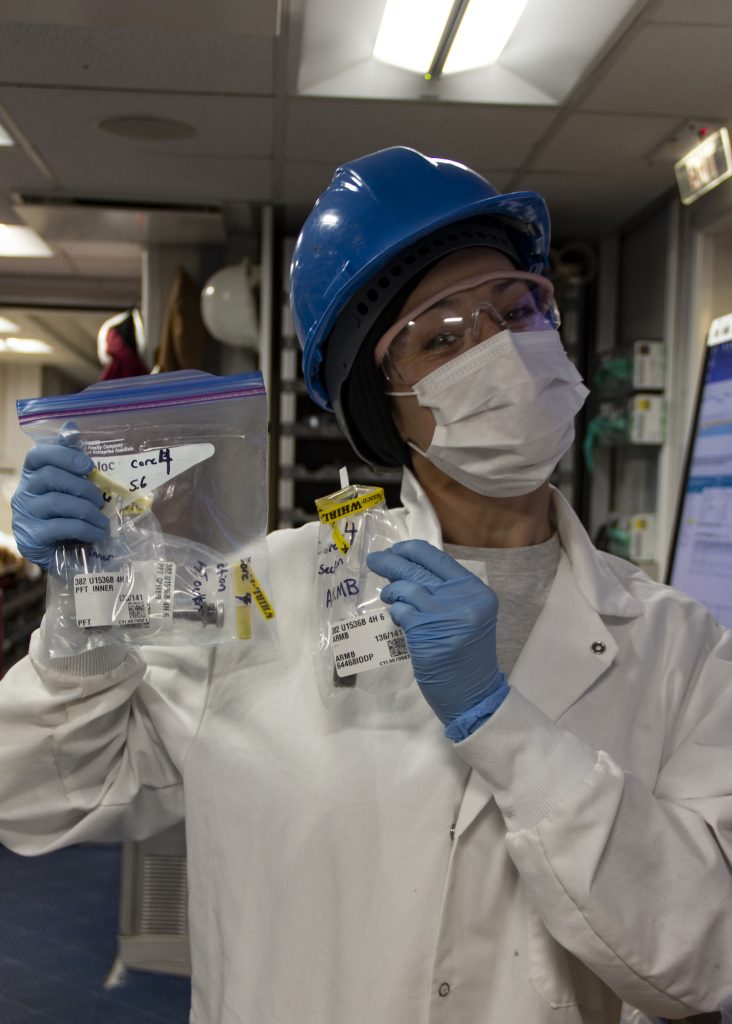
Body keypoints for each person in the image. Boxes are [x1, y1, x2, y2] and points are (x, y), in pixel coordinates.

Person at [5, 146, 732, 1024]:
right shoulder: (257, 597)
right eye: (442, 337)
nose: (501, 348)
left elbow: (702, 958)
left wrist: (502, 724)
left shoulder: (681, 645)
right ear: (376, 402)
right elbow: (36, 803)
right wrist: (82, 641)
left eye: (518, 308)